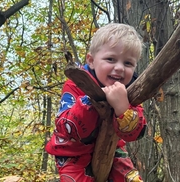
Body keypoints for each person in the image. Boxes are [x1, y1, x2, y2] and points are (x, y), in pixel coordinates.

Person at [45, 23, 147, 182]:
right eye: (111, 59)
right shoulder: (76, 83)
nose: (119, 68)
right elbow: (67, 127)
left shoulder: (129, 90)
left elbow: (136, 133)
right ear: (91, 60)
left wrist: (123, 108)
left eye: (128, 63)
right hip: (73, 154)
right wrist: (92, 101)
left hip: (113, 151)